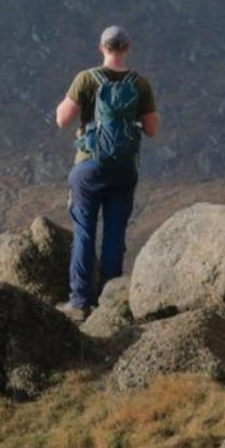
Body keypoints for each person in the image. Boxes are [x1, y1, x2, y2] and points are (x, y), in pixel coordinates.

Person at [53, 25, 159, 316]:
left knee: (84, 231)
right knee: (115, 233)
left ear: (102, 47)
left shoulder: (86, 79)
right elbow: (151, 129)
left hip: (88, 166)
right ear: (127, 48)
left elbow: (63, 119)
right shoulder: (140, 84)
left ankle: (78, 303)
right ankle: (110, 303)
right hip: (124, 169)